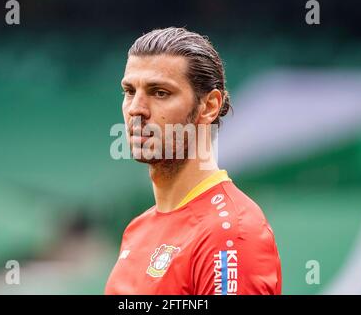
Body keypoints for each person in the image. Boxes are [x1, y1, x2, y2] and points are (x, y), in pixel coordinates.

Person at [105, 27, 282, 295]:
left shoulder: (229, 234)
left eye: (160, 92)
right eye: (130, 91)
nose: (135, 109)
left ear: (209, 106)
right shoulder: (138, 228)